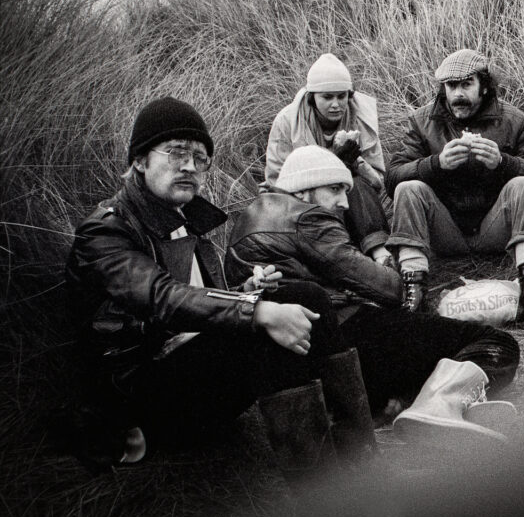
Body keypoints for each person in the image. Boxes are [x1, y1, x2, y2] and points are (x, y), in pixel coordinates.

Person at [64, 97, 375, 485]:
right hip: (132, 397)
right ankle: (321, 491)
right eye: (176, 153)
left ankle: (359, 454)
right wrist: (254, 310)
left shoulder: (185, 220)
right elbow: (163, 298)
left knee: (303, 295)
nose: (191, 166)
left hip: (184, 372)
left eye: (200, 157)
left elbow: (201, 302)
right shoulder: (105, 231)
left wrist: (246, 291)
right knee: (264, 330)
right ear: (140, 161)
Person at [226, 145, 521, 438]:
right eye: (335, 189)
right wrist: (382, 263)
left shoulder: (249, 218)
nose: (343, 202)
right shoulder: (307, 216)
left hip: (294, 357)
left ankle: (404, 403)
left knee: (420, 352)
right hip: (340, 332)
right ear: (304, 190)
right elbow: (390, 289)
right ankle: (438, 406)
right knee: (495, 342)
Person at [384, 48, 524, 334]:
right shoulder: (422, 122)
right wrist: (435, 164)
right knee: (409, 187)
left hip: (496, 230)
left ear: (484, 86)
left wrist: (504, 163)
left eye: (466, 84)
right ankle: (414, 299)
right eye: (451, 86)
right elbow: (392, 179)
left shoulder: (514, 121)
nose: (457, 94)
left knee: (523, 183)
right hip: (444, 232)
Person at [264, 53, 393, 267]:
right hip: (305, 203)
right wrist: (332, 165)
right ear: (311, 96)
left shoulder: (362, 118)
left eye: (341, 96)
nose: (336, 105)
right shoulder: (286, 121)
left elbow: (378, 181)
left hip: (352, 201)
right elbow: (277, 183)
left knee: (357, 183)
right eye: (327, 97)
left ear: (349, 96)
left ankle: (382, 254)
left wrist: (356, 164)